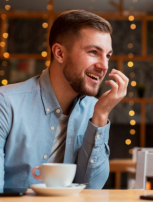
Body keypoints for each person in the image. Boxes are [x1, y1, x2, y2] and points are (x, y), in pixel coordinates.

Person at [0, 10, 129, 189]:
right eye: (93, 52)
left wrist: (100, 116)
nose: (104, 66)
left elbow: (92, 189)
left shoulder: (95, 109)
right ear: (59, 53)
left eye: (107, 56)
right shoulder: (6, 103)